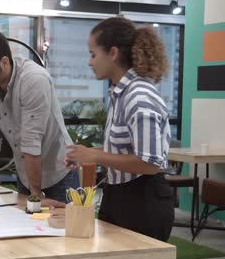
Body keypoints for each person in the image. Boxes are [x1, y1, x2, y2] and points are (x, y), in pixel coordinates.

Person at [64, 17, 174, 241]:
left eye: (93, 54)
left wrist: (95, 155)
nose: (89, 62)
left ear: (113, 53)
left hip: (142, 201)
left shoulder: (138, 95)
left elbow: (150, 163)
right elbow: (122, 151)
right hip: (120, 195)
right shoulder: (119, 93)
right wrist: (87, 156)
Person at [0, 31, 79, 208]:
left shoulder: (33, 79)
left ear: (4, 62)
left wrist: (35, 198)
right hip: (26, 173)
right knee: (26, 229)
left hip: (59, 172)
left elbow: (31, 142)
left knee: (62, 232)